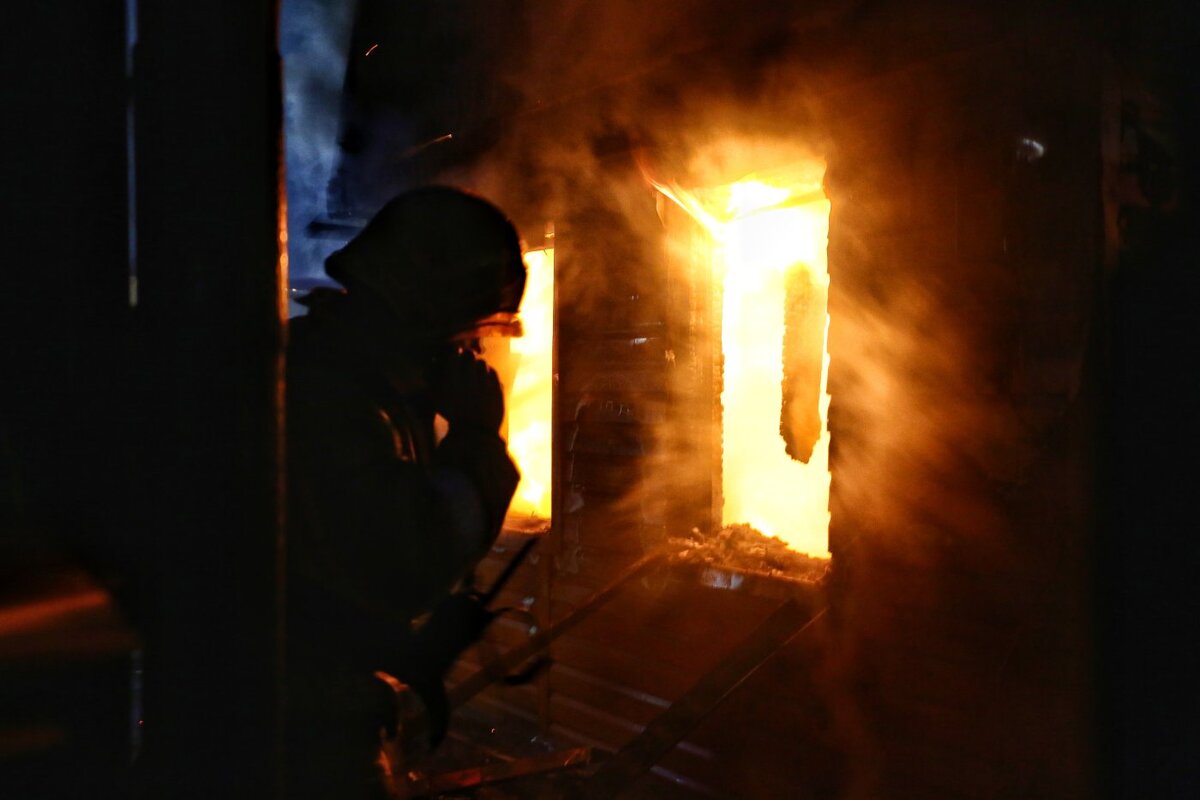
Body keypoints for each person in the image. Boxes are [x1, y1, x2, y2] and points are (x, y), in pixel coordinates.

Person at [284, 186, 526, 798]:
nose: (471, 351)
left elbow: (326, 579)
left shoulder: (345, 376)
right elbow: (400, 560)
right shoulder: (331, 395)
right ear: (425, 318)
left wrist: (401, 645)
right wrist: (475, 439)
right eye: (467, 333)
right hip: (291, 738)